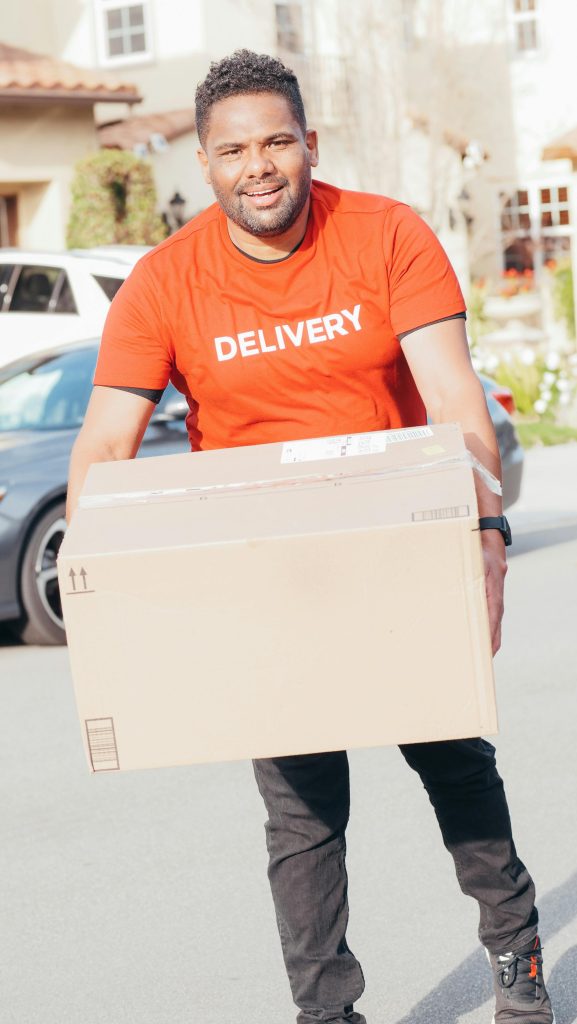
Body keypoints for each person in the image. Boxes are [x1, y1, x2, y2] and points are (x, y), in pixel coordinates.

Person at [66, 50, 554, 1024]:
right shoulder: (165, 281)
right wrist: (101, 589)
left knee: (458, 769)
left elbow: (455, 393)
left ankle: (519, 970)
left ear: (309, 144)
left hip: (395, 552)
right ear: (203, 163)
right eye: (235, 149)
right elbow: (106, 444)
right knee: (299, 819)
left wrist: (486, 533)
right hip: (266, 578)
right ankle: (325, 1011)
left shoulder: (385, 235)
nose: (260, 165)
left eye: (278, 141)